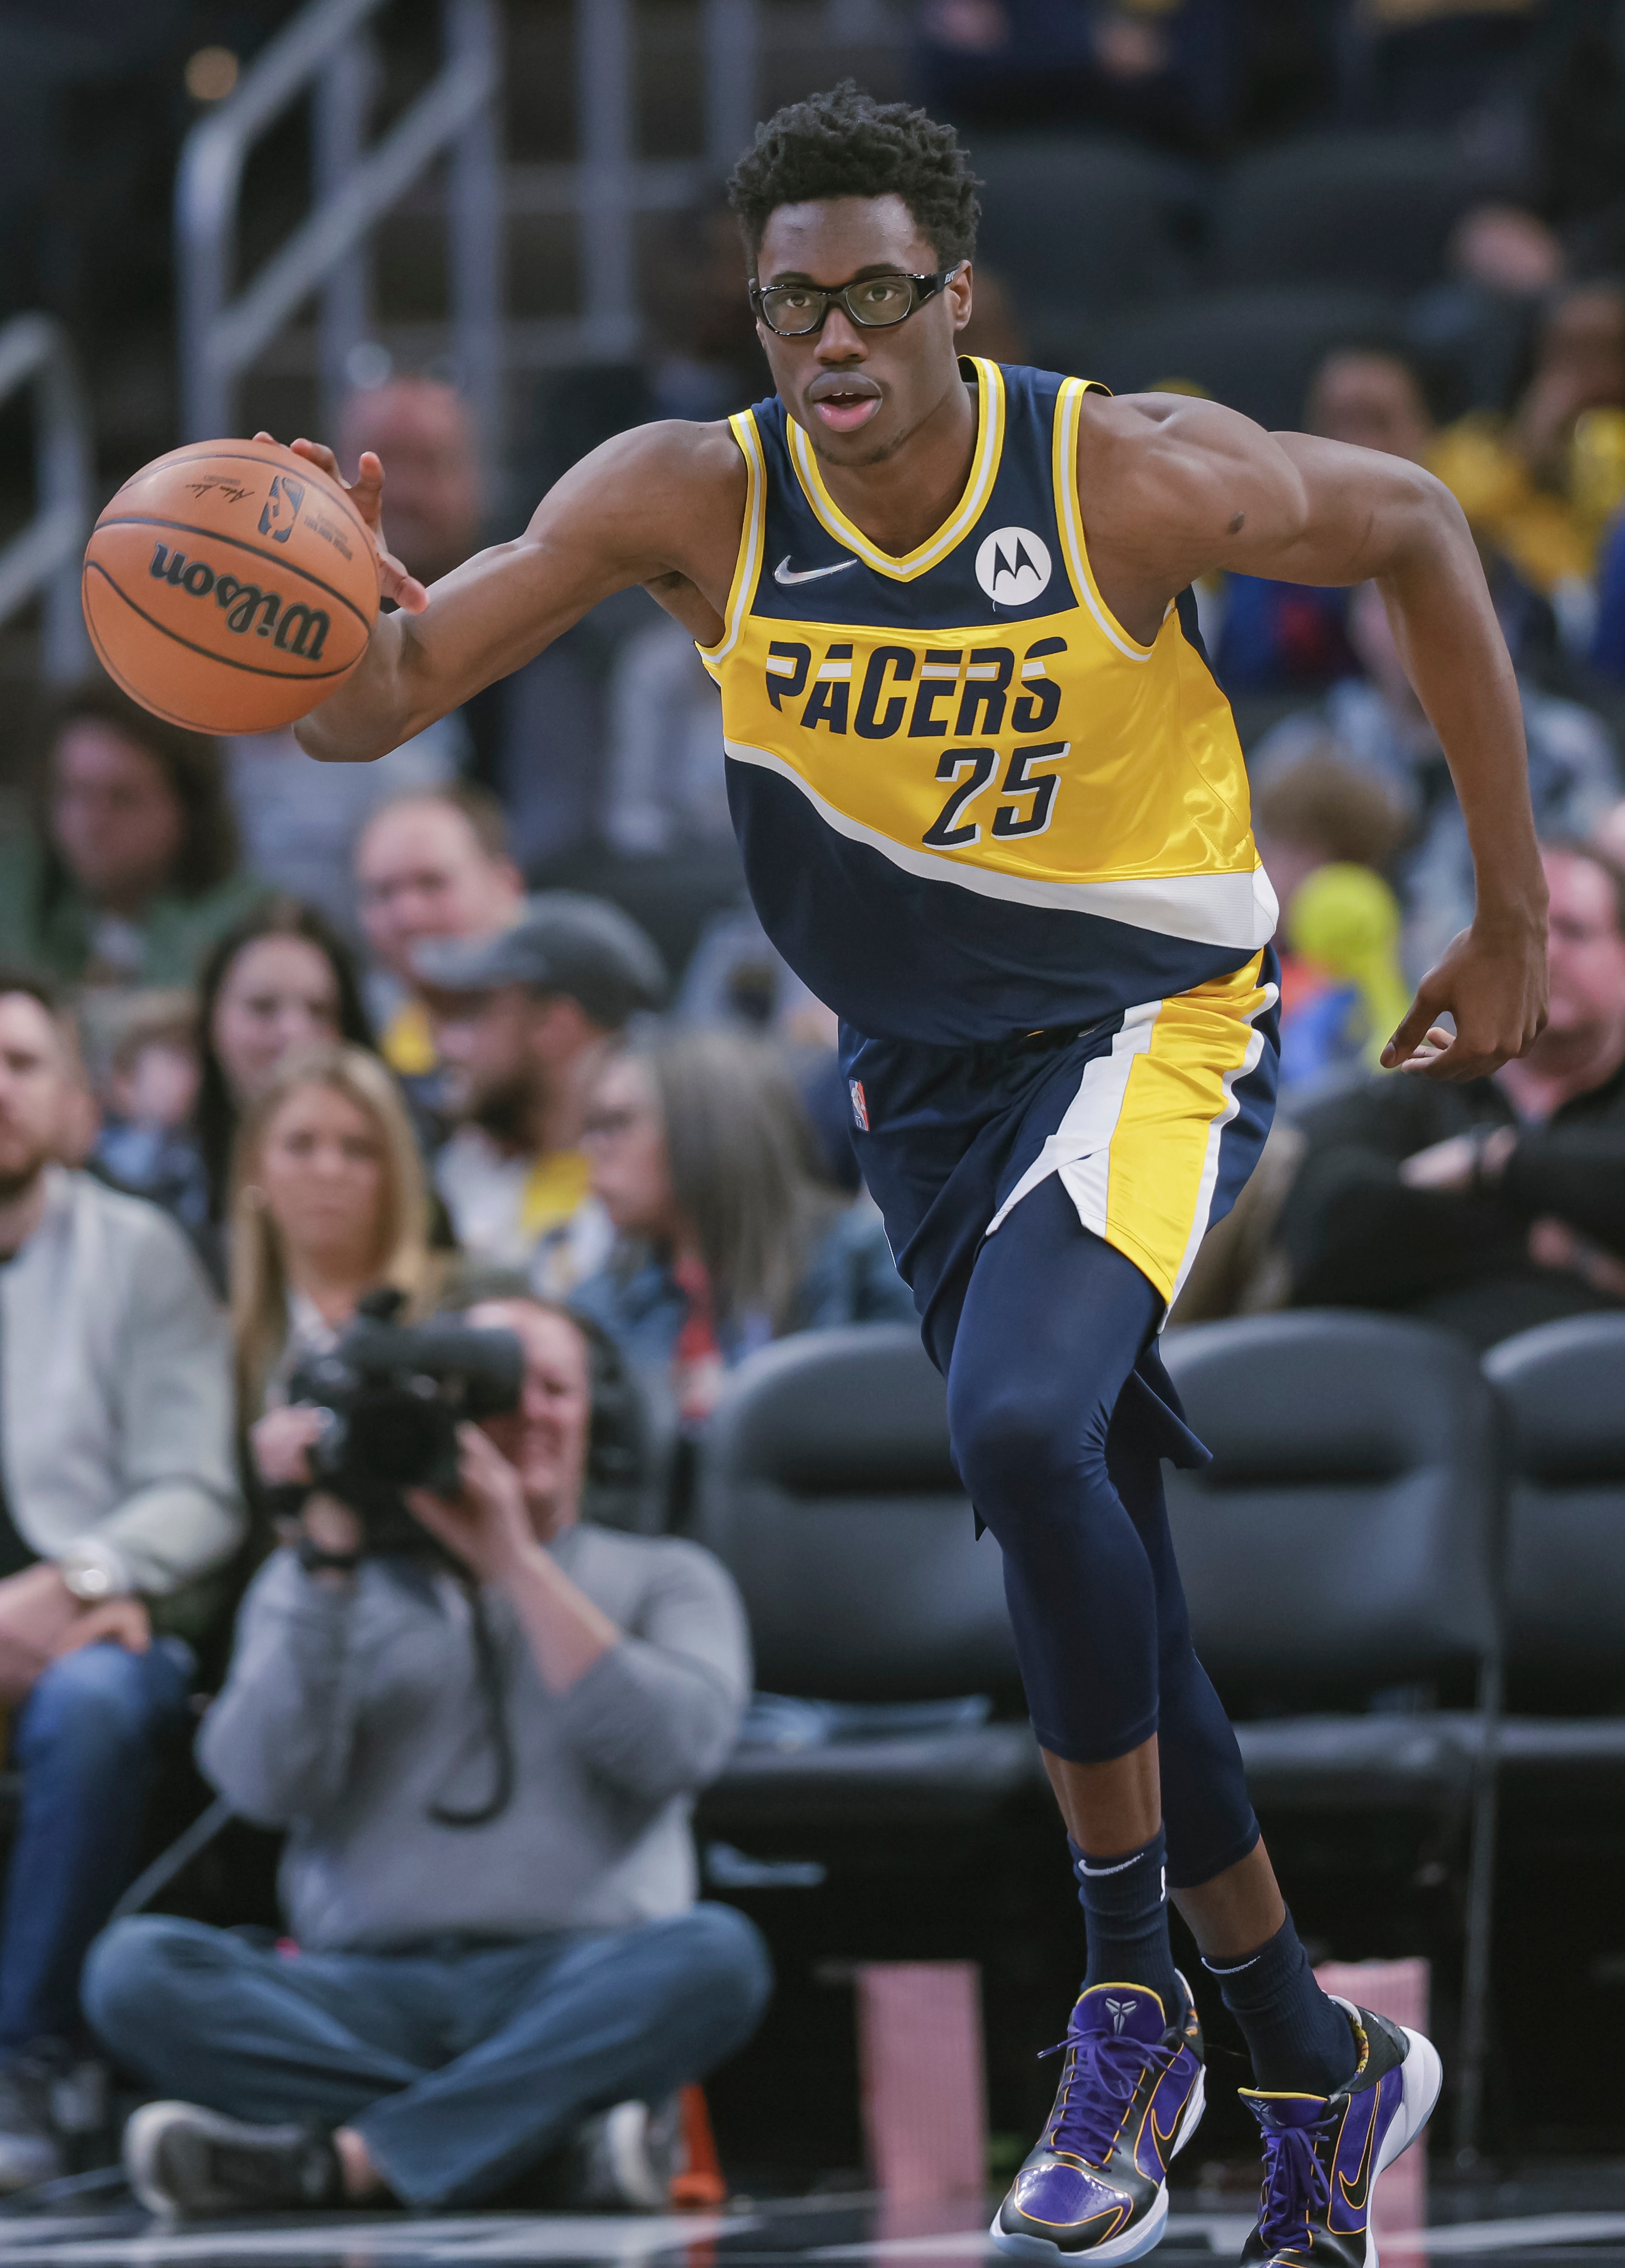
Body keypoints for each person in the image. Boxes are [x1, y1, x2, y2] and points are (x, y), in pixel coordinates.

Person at [279, 83, 1549, 2268]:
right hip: (928, 1086)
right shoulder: (682, 494)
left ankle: (1128, 2004)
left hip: (1149, 1020)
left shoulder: (1122, 472)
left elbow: (1422, 524)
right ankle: (1310, 2053)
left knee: (1019, 1430)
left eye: (876, 292)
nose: (834, 337)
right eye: (793, 302)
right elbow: (373, 707)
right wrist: (308, 592)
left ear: (954, 297)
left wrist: (1507, 910)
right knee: (1100, 1559)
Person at [83, 1295, 769, 2221]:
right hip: (361, 1989)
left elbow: (676, 1752)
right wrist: (326, 1561)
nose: (528, 1412)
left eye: (554, 1388)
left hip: (578, 1979)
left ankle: (348, 2159)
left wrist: (515, 1563)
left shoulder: (667, 1577)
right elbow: (260, 1786)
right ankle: (539, 2146)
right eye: (494, 1389)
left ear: (596, 1414)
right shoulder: (317, 1581)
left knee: (717, 1956)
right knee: (134, 1971)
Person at [0, 970, 244, 2187]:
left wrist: (82, 1577)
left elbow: (199, 1487)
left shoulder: (135, 1252)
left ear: (77, 1103)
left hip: (88, 1626)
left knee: (94, 1706)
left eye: (19, 1064)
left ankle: (31, 2060)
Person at [1280, 839, 1625, 1349]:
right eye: (1521, 931)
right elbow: (1329, 1229)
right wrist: (1544, 1244)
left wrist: (1492, 1163)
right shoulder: (1412, 1096)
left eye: (1573, 931)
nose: (1545, 952)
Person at [1251, 576, 1618, 981]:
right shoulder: (1305, 749)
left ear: (1501, 619)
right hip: (1343, 1004)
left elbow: (1603, 910)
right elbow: (1245, 921)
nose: (1415, 623)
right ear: (1357, 621)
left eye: (1440, 594)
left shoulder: (1564, 751)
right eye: (1389, 602)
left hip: (1524, 1000)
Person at [573, 1030, 913, 1426]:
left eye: (617, 1123)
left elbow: (915, 1420)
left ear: (704, 1127)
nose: (591, 1150)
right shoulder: (598, 1308)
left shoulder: (864, 1262)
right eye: (591, 1128)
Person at [414, 894, 666, 1299]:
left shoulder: (660, 1195)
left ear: (555, 1024)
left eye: (476, 1011)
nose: (446, 1046)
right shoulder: (462, 1170)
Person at [229, 1043, 443, 1424]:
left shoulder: (457, 1311)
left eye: (358, 1149)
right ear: (254, 1171)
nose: (329, 1170)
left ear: (393, 1175)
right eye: (300, 1145)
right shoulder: (224, 1350)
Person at [0, 680, 262, 990]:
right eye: (75, 793)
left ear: (186, 807)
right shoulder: (22, 904)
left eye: (123, 798)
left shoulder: (246, 925)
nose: (92, 822)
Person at [195, 898, 375, 1256]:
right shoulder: (164, 1187)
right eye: (263, 1007)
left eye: (319, 1011)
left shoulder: (402, 1168)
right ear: (211, 1022)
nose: (294, 1034)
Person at [352, 785, 524, 1101]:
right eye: (383, 892)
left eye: (432, 883)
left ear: (506, 886)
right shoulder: (362, 1045)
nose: (408, 916)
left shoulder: (572, 1024)